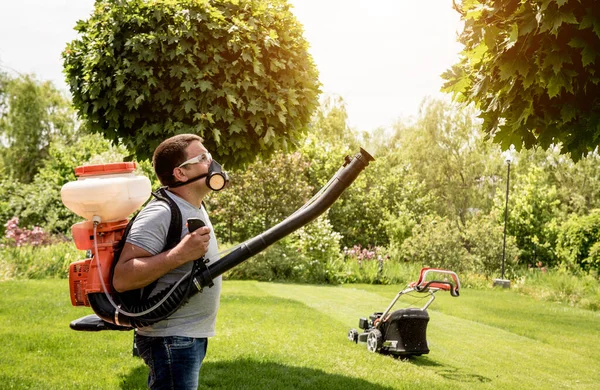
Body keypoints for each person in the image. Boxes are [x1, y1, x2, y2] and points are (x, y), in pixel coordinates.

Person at [113, 134, 222, 390]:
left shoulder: (194, 206)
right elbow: (123, 277)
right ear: (181, 173)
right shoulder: (161, 212)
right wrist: (181, 254)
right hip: (171, 338)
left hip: (188, 334)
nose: (212, 163)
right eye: (203, 158)